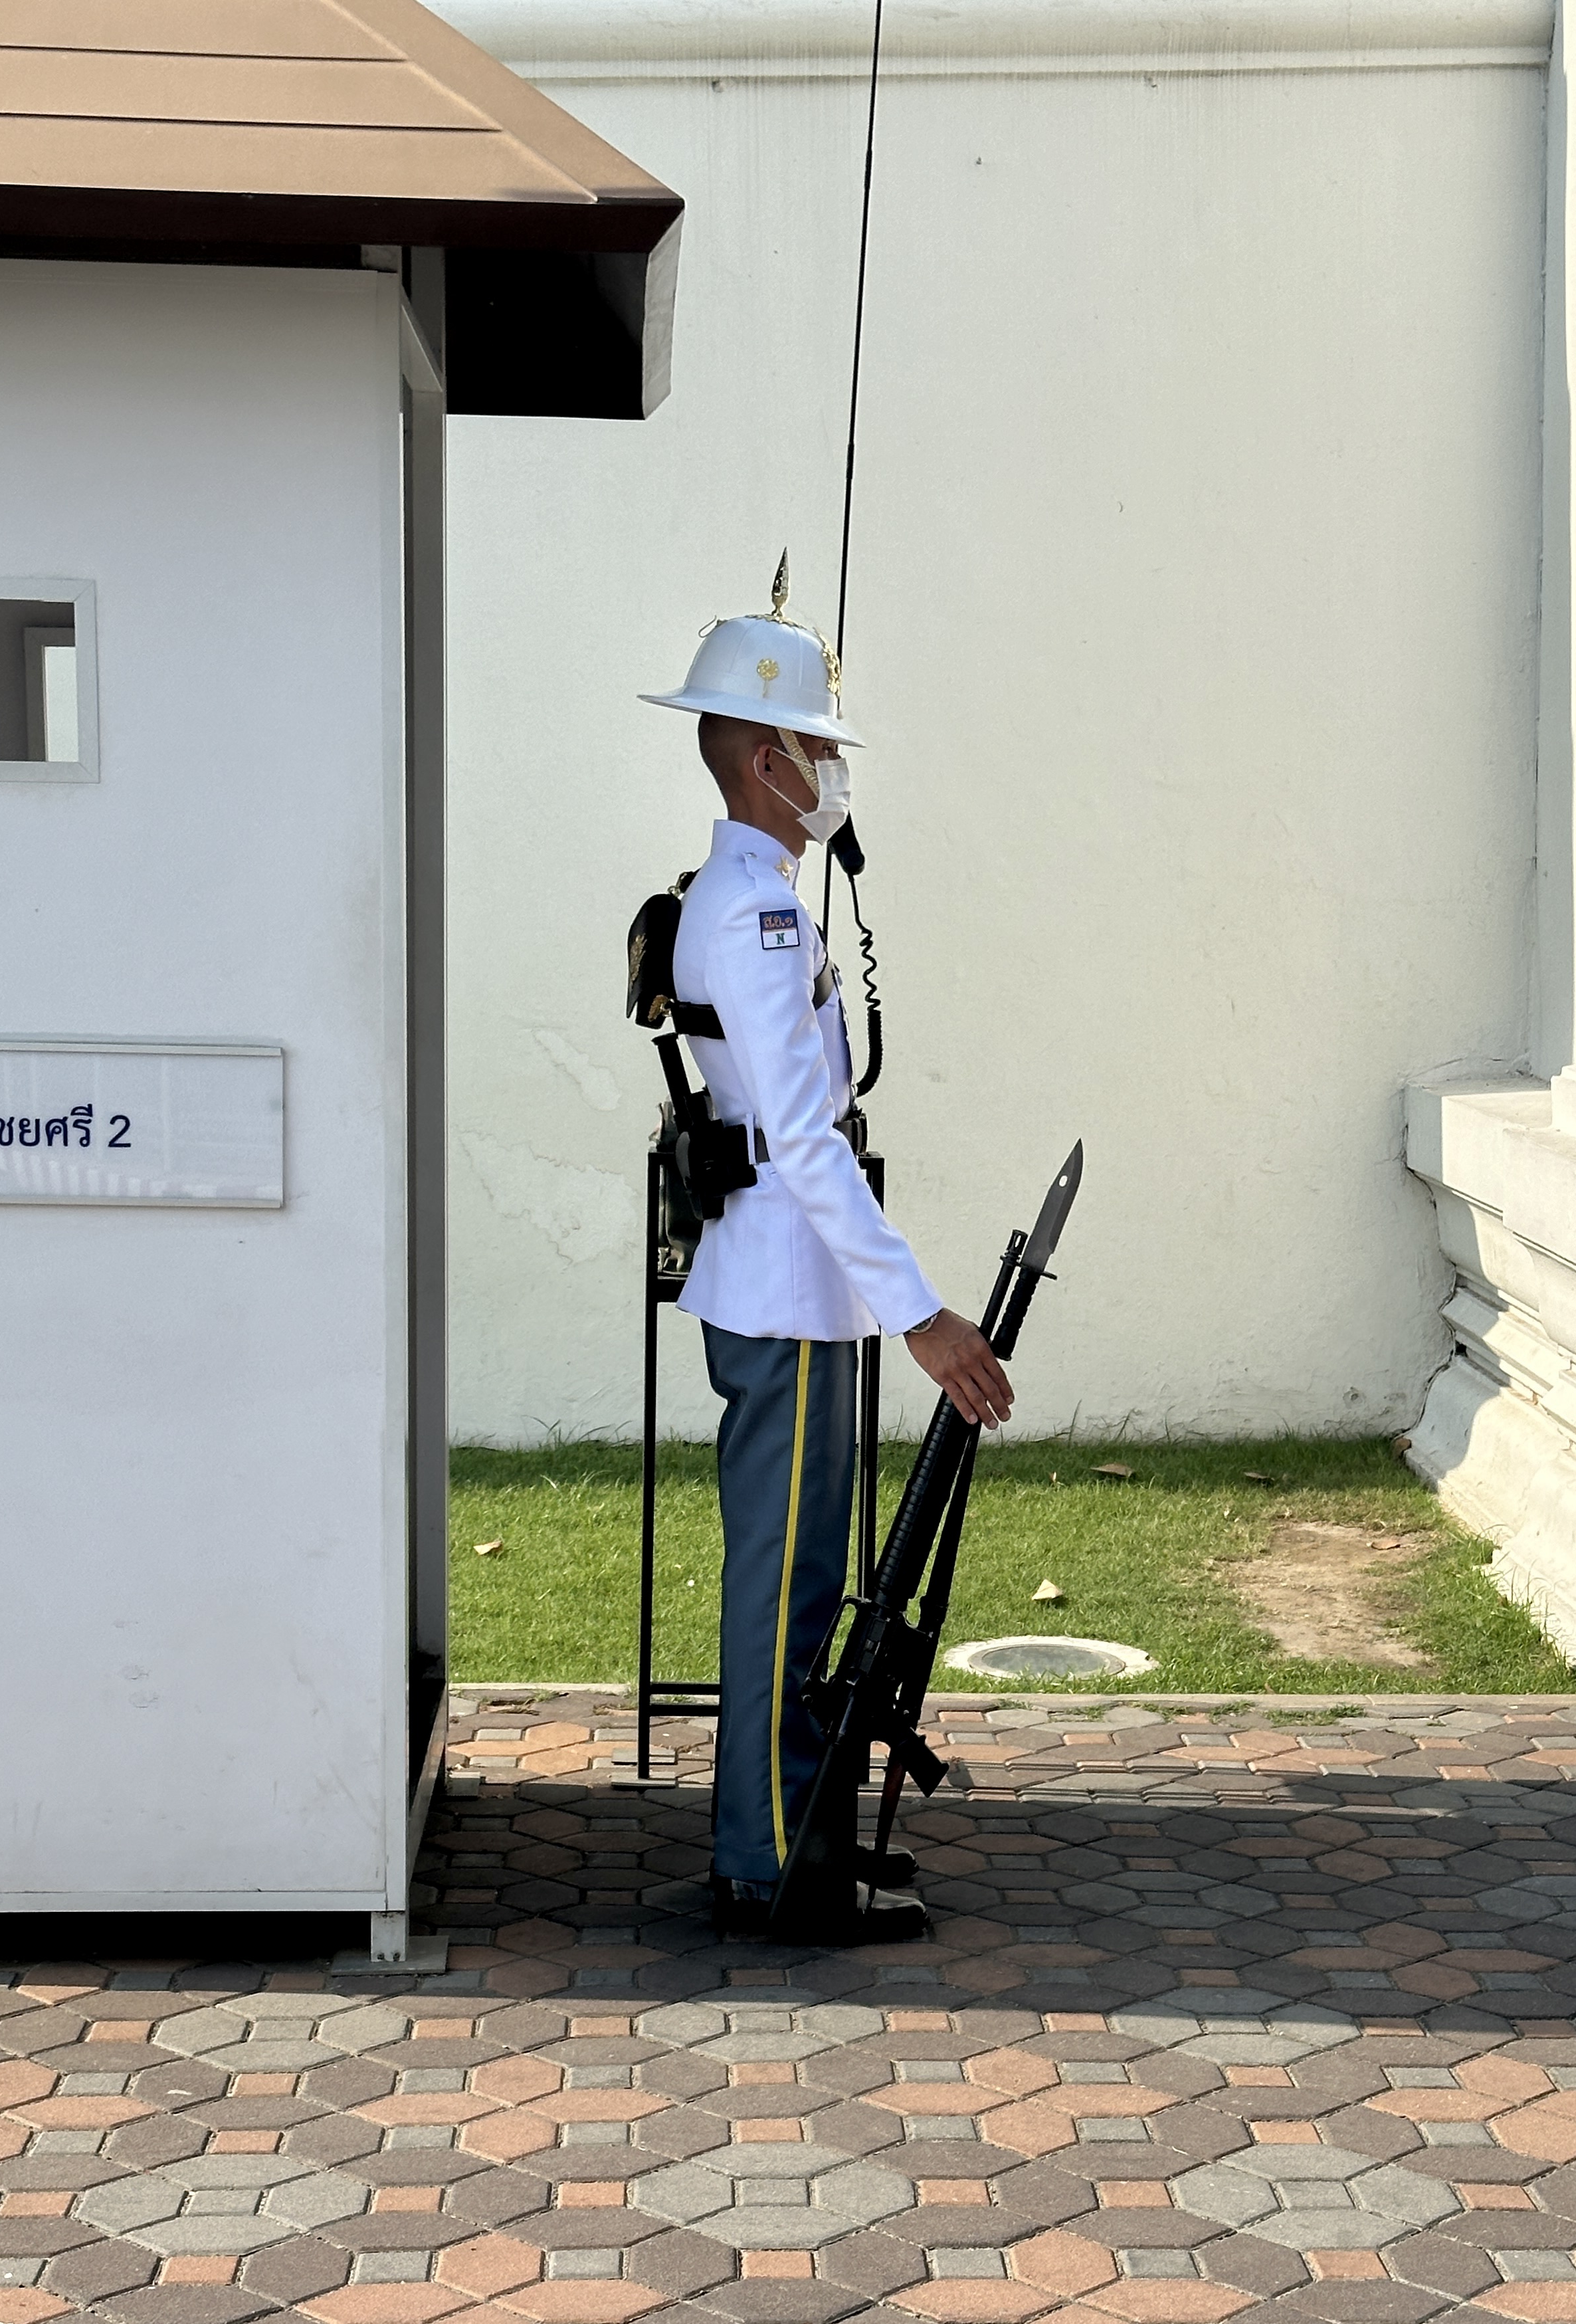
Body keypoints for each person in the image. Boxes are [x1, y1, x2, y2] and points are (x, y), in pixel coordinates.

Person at [640, 570, 1012, 1941]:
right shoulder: (756, 912)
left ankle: (792, 1840)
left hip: (790, 1289)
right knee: (784, 1598)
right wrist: (920, 1314)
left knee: (794, 1587)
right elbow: (803, 1139)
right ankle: (772, 1863)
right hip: (789, 1293)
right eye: (818, 745)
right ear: (766, 761)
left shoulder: (759, 897)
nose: (835, 770)